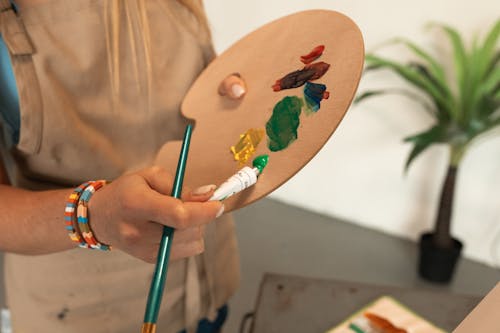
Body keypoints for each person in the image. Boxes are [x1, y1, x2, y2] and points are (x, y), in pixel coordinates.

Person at [0, 0, 242, 332]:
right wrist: (93, 215)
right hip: (85, 308)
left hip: (205, 278)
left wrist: (226, 95)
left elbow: (191, 84)